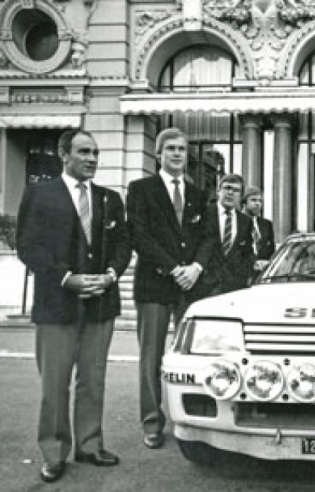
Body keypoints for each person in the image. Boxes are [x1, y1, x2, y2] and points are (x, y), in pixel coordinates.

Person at [16, 130, 132, 482]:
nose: (93, 158)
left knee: (93, 378)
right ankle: (53, 452)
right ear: (63, 155)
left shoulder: (110, 199)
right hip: (56, 304)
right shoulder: (41, 194)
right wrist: (66, 278)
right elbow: (28, 246)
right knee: (55, 382)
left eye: (96, 152)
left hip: (101, 304)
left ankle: (90, 444)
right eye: (84, 152)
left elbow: (124, 244)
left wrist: (111, 274)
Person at [126, 128, 213, 450]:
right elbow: (139, 234)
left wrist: (196, 268)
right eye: (171, 149)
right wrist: (174, 268)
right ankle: (152, 422)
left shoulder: (199, 194)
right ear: (158, 154)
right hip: (155, 284)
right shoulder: (140, 189)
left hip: (190, 287)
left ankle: (191, 418)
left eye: (182, 149)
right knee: (151, 358)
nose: (178, 154)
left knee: (192, 358)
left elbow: (208, 237)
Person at [197, 174, 255, 295]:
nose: (230, 193)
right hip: (204, 287)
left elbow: (247, 254)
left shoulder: (245, 221)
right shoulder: (204, 214)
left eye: (236, 190)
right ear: (218, 191)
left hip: (234, 288)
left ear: (241, 196)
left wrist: (244, 277)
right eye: (227, 188)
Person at [242, 186, 275, 268]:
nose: (258, 204)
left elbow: (271, 250)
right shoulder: (236, 223)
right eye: (253, 200)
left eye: (260, 201)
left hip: (262, 273)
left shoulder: (267, 224)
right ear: (244, 203)